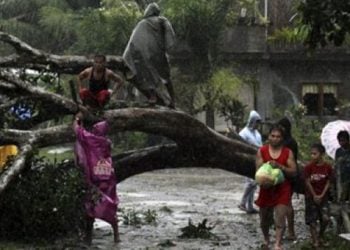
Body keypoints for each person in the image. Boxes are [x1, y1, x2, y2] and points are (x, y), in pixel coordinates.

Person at [73, 113, 119, 244]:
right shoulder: (107, 142)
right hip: (108, 178)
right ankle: (116, 236)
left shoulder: (91, 140)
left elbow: (77, 131)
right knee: (109, 205)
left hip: (94, 179)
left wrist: (77, 119)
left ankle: (88, 238)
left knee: (90, 207)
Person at [123, 2, 176, 108]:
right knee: (166, 77)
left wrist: (128, 55)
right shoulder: (162, 20)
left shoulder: (142, 23)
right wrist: (169, 47)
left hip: (146, 55)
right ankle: (172, 100)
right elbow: (170, 36)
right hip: (159, 53)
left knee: (149, 76)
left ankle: (154, 97)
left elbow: (133, 41)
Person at [255, 124, 297, 250]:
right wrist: (265, 179)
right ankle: (266, 239)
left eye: (278, 137)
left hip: (282, 188)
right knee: (264, 219)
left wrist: (280, 166)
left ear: (282, 139)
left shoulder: (287, 152)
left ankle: (277, 243)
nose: (275, 139)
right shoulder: (261, 151)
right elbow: (257, 171)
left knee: (280, 216)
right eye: (272, 136)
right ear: (268, 137)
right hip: (266, 188)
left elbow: (294, 171)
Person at [304, 143, 333, 248]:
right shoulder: (308, 167)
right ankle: (315, 240)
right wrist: (315, 195)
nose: (312, 156)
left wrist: (321, 195)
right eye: (311, 154)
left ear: (321, 154)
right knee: (312, 220)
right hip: (310, 197)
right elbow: (307, 182)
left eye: (315, 154)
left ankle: (321, 235)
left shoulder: (327, 167)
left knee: (325, 218)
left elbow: (329, 182)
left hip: (323, 197)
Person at [277, 117, 298, 240]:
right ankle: (285, 230)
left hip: (288, 175)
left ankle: (291, 231)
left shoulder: (290, 142)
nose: (280, 129)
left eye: (282, 127)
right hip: (281, 175)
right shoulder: (285, 140)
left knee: (287, 204)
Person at [238, 110, 262, 214]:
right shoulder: (243, 133)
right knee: (251, 182)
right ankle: (242, 202)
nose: (258, 124)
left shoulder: (257, 133)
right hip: (247, 159)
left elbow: (260, 146)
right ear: (252, 121)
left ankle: (249, 206)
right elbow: (239, 145)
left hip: (257, 159)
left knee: (253, 182)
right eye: (257, 122)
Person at [335, 130, 350, 201]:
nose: (341, 143)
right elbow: (336, 164)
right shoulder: (338, 151)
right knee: (342, 199)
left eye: (343, 140)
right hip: (342, 178)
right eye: (340, 141)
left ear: (347, 140)